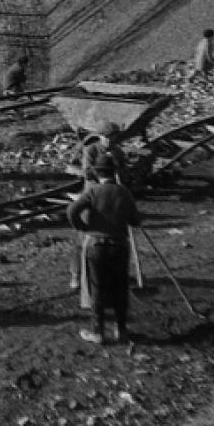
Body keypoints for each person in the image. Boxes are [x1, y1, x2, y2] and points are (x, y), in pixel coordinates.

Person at [66, 153, 141, 346]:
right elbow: (136, 220)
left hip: (96, 246)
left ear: (97, 173)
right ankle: (121, 331)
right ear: (114, 172)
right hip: (119, 246)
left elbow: (72, 210)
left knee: (97, 288)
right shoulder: (124, 192)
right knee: (120, 288)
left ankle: (97, 332)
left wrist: (81, 227)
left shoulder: (93, 191)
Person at [69, 123, 129, 291]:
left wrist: (117, 165)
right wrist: (105, 168)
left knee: (112, 237)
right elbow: (87, 173)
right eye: (106, 138)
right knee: (82, 238)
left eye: (112, 138)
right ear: (100, 137)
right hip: (92, 198)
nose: (109, 141)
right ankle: (76, 274)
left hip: (111, 200)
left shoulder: (118, 152)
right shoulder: (91, 150)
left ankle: (107, 275)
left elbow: (125, 173)